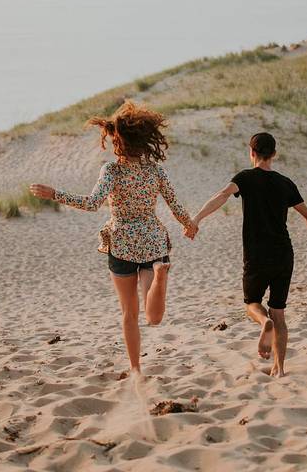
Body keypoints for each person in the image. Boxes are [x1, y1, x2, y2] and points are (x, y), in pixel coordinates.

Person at [29, 101, 196, 376]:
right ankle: (159, 275)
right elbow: (175, 205)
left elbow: (92, 203)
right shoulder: (156, 171)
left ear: (117, 139)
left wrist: (54, 193)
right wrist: (189, 225)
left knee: (129, 315)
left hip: (121, 243)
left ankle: (135, 369)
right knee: (154, 317)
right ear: (145, 139)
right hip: (153, 240)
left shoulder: (112, 171)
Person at [188, 132, 307, 377]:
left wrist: (196, 219)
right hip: (283, 254)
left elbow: (222, 196)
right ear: (274, 154)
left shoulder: (245, 178)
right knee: (279, 312)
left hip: (256, 254)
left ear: (251, 152)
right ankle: (279, 369)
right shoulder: (286, 183)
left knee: (252, 304)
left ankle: (262, 322)